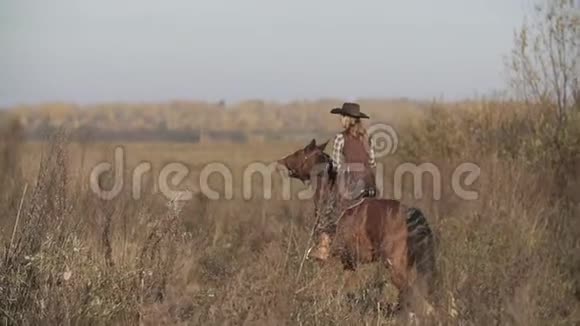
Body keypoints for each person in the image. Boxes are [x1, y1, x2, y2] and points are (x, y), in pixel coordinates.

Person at [308, 102, 377, 261]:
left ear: (347, 119)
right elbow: (372, 163)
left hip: (351, 185)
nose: (340, 119)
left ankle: (323, 249)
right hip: (370, 185)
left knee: (327, 212)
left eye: (342, 116)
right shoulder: (367, 138)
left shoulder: (340, 138)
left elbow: (337, 166)